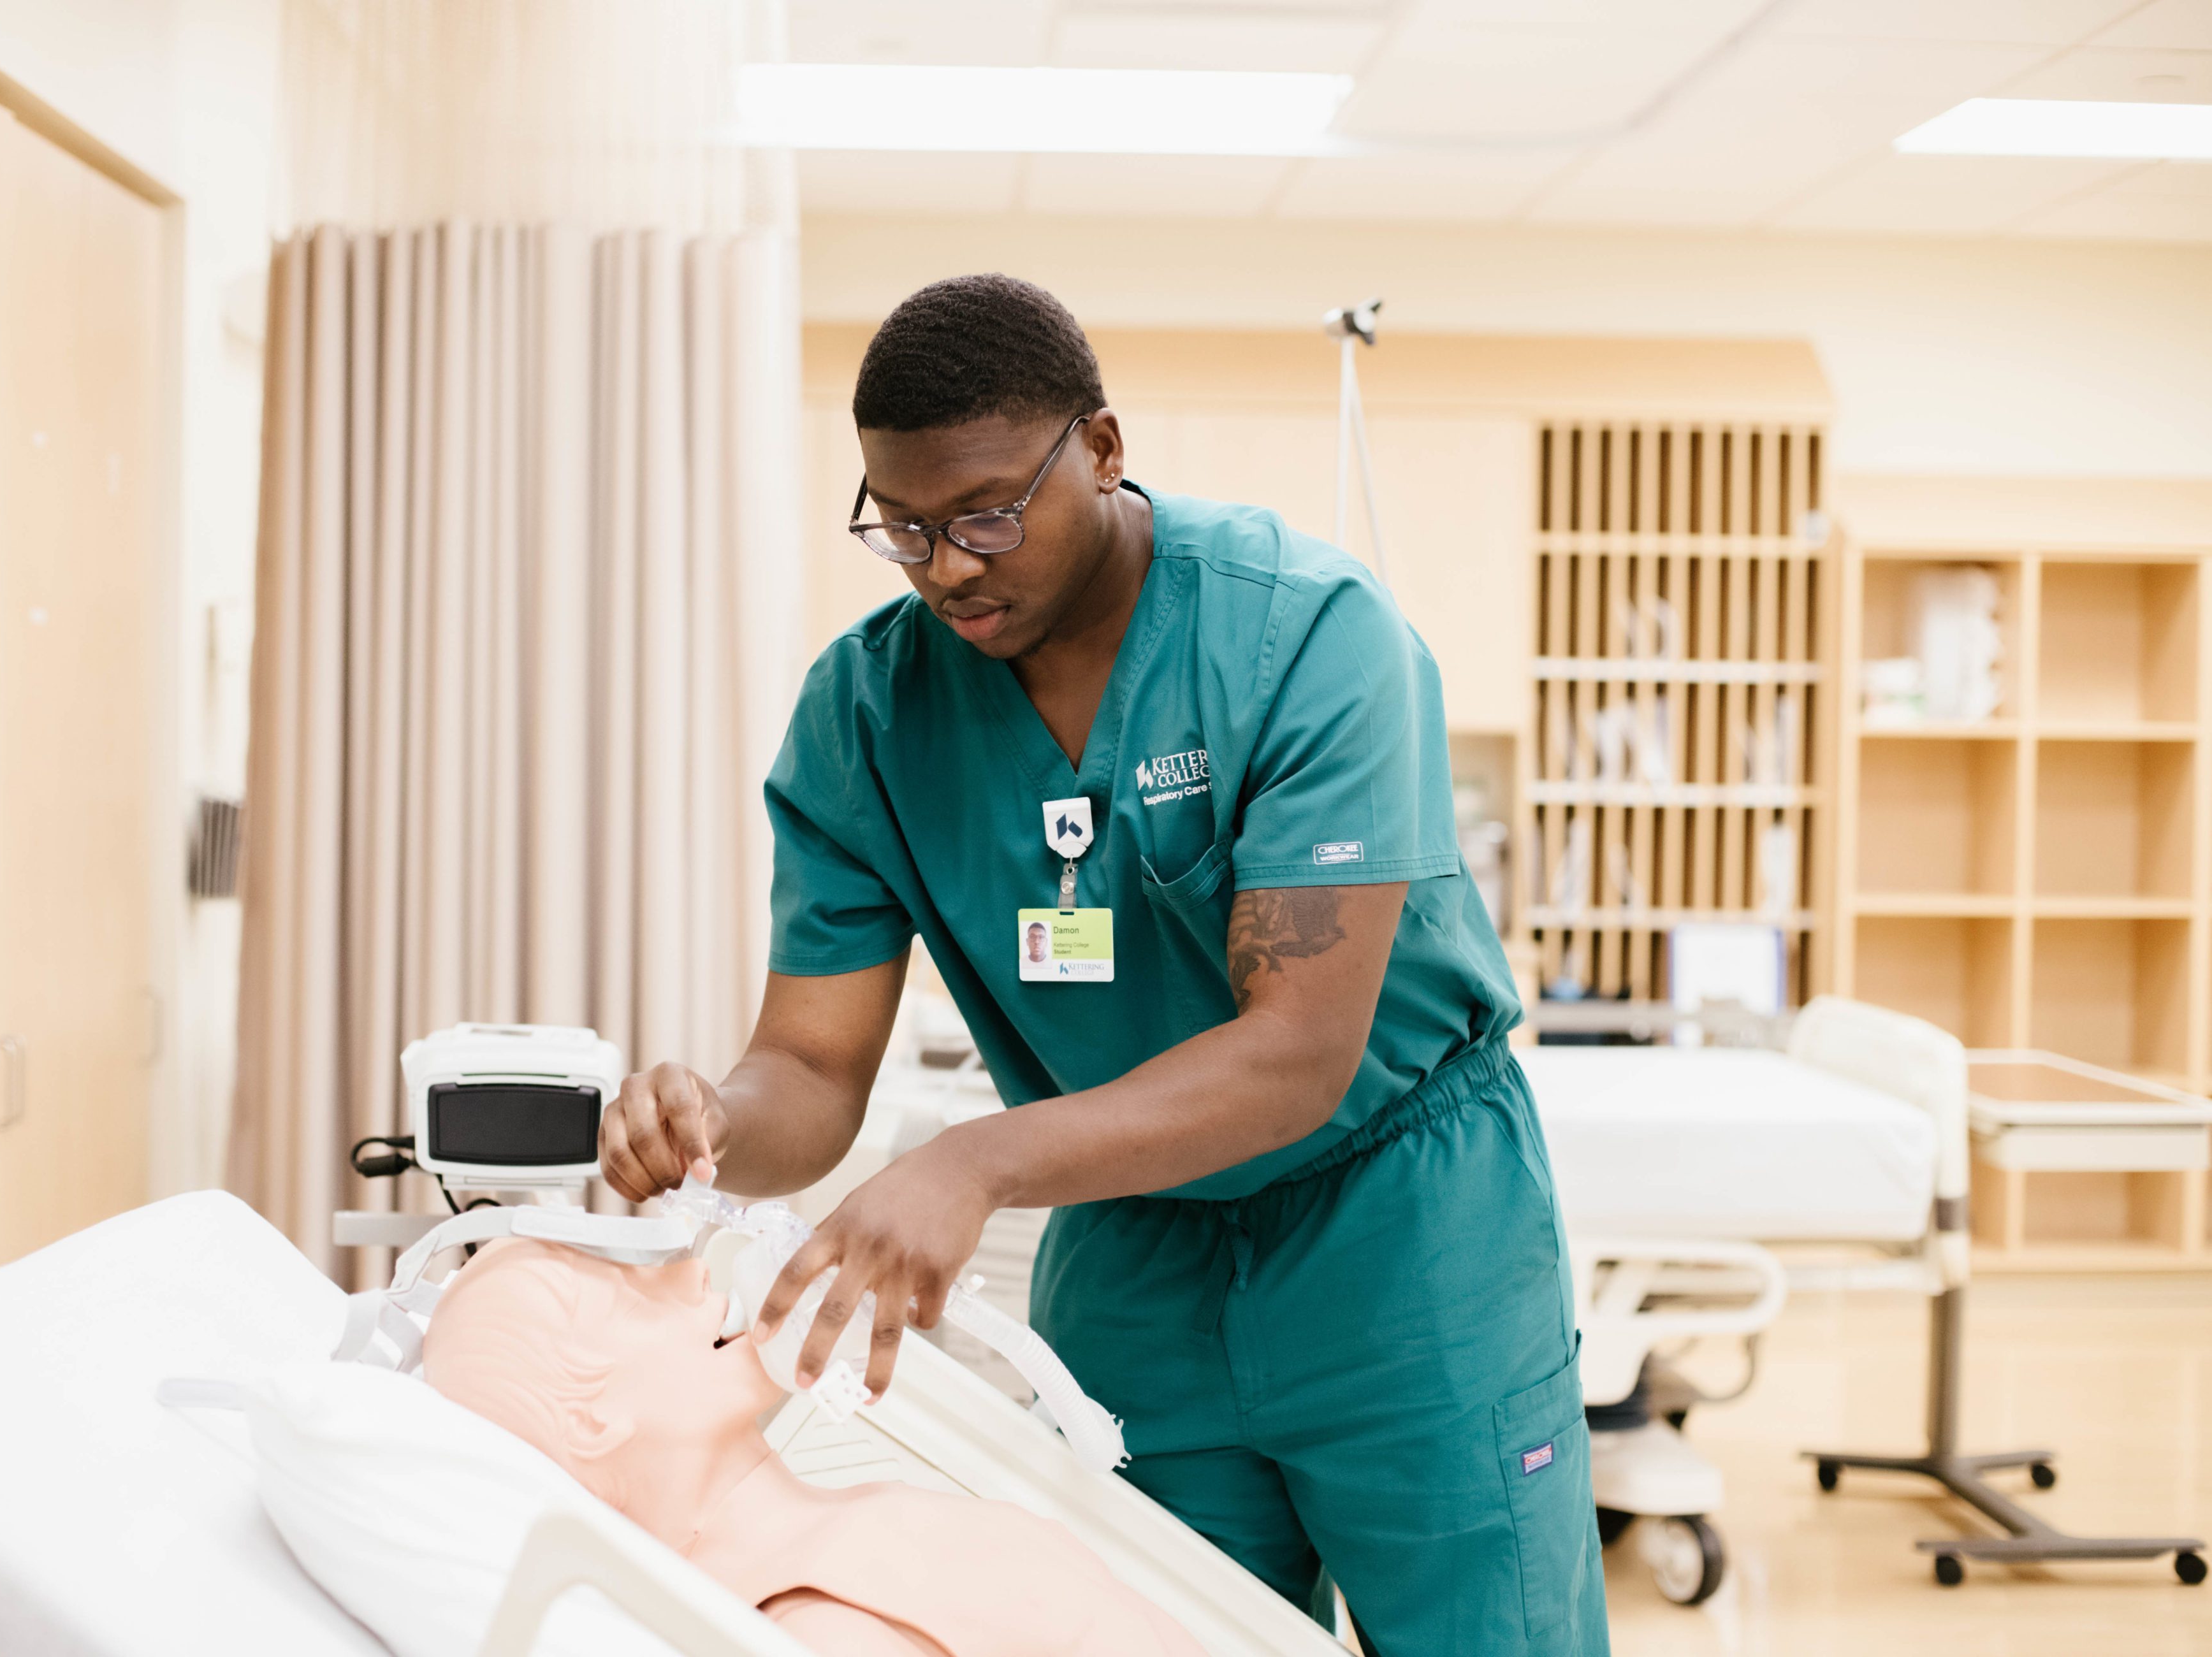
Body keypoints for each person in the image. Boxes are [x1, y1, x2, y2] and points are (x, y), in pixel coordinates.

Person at [599, 273, 1607, 1655]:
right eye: (902, 527)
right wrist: (715, 1122)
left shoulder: (1306, 638)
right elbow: (813, 1067)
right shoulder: (868, 713)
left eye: (989, 513)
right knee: (1150, 1631)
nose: (948, 565)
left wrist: (977, 1161)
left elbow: (1297, 1052)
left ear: (1105, 450)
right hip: (1136, 1251)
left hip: (1401, 1235)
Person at [424, 1237, 1206, 1657]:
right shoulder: (812, 1630)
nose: (694, 1270)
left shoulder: (856, 1525)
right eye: (627, 1294)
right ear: (590, 1422)